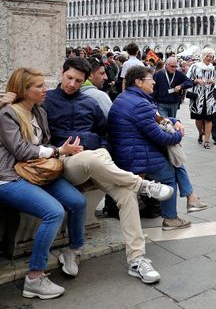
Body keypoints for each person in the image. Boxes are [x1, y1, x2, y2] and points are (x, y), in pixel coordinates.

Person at [43, 57, 175, 283]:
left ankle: (137, 259)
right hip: (67, 160)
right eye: (69, 78)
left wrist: (100, 146)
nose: (73, 84)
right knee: (92, 160)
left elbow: (105, 134)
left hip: (97, 157)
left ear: (85, 81)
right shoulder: (46, 101)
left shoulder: (90, 103)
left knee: (126, 195)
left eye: (78, 80)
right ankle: (141, 183)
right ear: (62, 74)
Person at [0, 69, 86, 299]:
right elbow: (20, 150)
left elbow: (44, 142)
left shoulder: (39, 111)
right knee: (54, 212)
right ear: (23, 90)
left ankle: (73, 251)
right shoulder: (7, 114)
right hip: (10, 177)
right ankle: (34, 278)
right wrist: (58, 151)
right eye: (38, 86)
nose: (45, 89)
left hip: (37, 173)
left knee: (78, 201)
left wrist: (66, 150)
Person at [109, 66, 206, 231]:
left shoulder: (128, 97)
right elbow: (160, 137)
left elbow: (155, 118)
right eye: (150, 79)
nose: (154, 81)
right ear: (139, 82)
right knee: (170, 173)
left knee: (174, 160)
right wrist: (178, 136)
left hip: (130, 151)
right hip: (135, 156)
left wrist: (174, 121)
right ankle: (172, 217)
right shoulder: (140, 103)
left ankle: (191, 199)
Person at [186, 48, 216, 148]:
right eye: (207, 56)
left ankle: (207, 140)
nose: (209, 58)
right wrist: (196, 81)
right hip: (197, 97)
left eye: (211, 56)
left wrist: (214, 82)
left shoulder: (214, 69)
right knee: (198, 118)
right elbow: (187, 79)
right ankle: (200, 132)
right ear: (203, 56)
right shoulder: (195, 66)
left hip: (210, 97)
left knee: (209, 119)